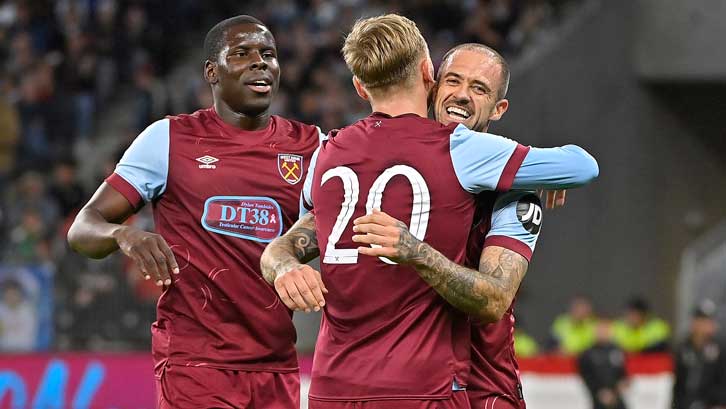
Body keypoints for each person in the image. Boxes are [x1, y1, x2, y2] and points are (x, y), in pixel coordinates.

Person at [260, 14, 597, 408]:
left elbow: (493, 300)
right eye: (453, 81)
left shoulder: (514, 193)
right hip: (421, 387)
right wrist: (284, 264)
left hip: (484, 389)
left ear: (500, 107)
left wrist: (533, 172)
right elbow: (290, 240)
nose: (461, 95)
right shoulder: (387, 164)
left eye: (479, 88)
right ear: (430, 79)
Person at [67, 15, 324, 409]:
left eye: (268, 54)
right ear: (211, 72)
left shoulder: (311, 146)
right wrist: (125, 235)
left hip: (277, 366)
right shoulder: (167, 139)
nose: (260, 62)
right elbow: (83, 229)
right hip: (196, 364)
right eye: (241, 54)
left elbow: (334, 222)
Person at [672, 300, 726, 409]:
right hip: (686, 403)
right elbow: (677, 383)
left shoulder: (719, 348)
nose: (704, 325)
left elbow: (722, 381)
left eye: (708, 321)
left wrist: (720, 402)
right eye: (701, 320)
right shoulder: (683, 348)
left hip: (711, 404)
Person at [577, 320, 629, 409]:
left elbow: (622, 373)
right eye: (600, 330)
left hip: (616, 397)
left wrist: (618, 388)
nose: (603, 332)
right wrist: (599, 392)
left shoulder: (617, 350)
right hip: (597, 397)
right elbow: (586, 376)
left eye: (605, 329)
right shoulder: (587, 353)